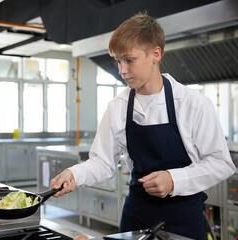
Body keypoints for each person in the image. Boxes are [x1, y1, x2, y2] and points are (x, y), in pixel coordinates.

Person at [50, 12, 236, 240]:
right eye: (117, 61)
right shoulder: (118, 106)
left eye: (129, 60)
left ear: (155, 54)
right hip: (136, 217)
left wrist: (174, 180)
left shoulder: (193, 104)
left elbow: (221, 163)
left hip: (183, 219)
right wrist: (74, 174)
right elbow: (102, 163)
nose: (121, 70)